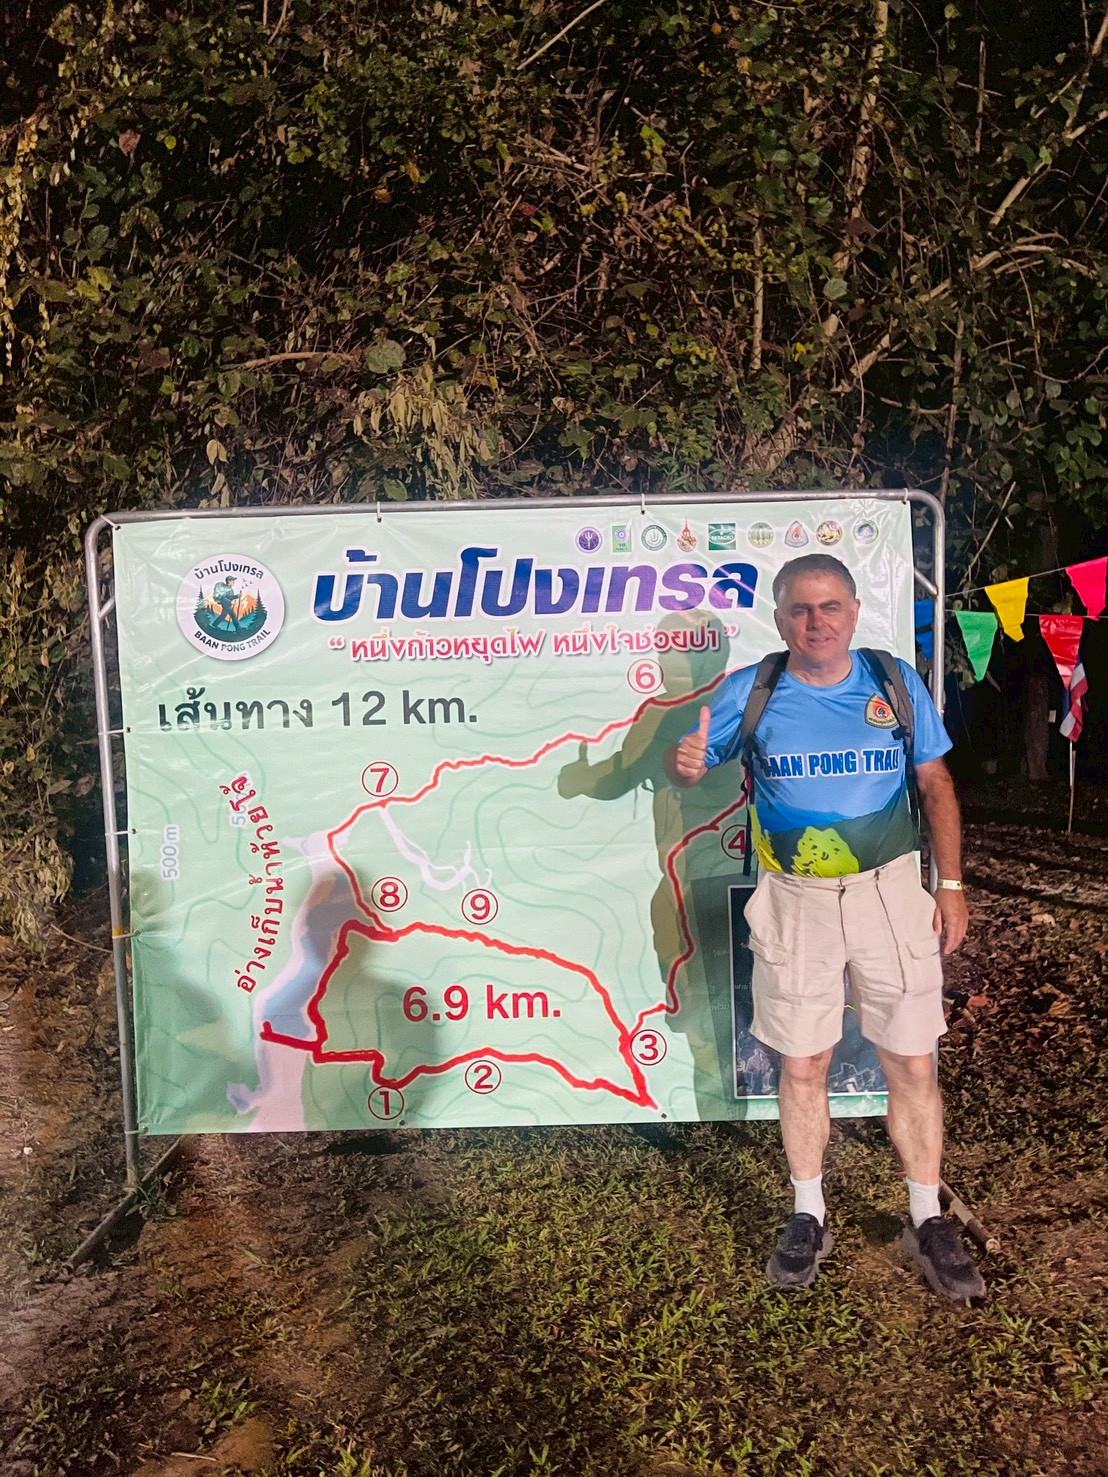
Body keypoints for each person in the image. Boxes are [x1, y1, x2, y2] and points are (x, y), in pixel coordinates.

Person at [669, 552, 984, 1301]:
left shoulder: (892, 681)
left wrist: (950, 886)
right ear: (780, 620)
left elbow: (935, 782)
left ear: (854, 612)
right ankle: (808, 1211)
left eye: (831, 606)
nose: (818, 622)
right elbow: (696, 765)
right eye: (801, 610)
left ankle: (926, 1216)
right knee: (804, 1062)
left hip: (889, 893)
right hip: (794, 899)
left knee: (912, 1061)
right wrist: (688, 764)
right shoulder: (753, 689)